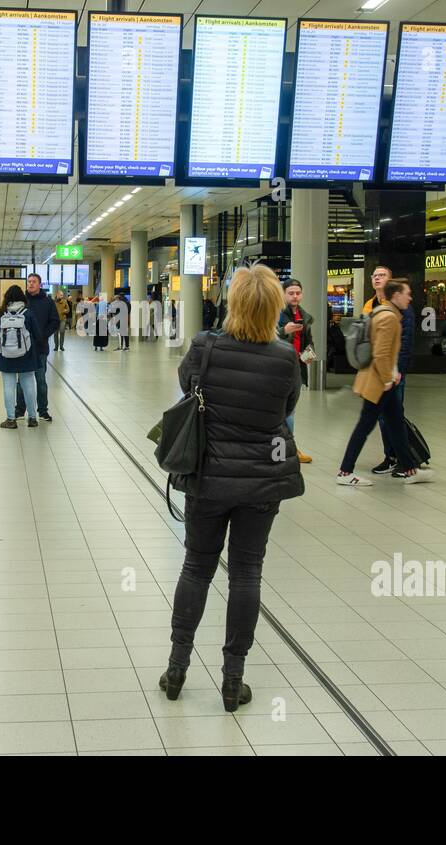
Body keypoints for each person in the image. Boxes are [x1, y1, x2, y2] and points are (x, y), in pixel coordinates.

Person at [160, 264, 304, 713]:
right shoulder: (284, 357)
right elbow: (287, 407)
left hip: (207, 479)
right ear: (275, 307)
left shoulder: (205, 346)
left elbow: (186, 386)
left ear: (233, 303)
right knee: (247, 573)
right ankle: (232, 680)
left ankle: (177, 669)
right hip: (262, 482)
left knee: (197, 568)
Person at [336, 280, 433, 486]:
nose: (410, 297)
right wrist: (389, 377)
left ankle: (409, 470)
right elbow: (381, 354)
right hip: (379, 384)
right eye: (407, 293)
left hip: (381, 381)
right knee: (365, 426)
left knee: (396, 425)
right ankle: (345, 472)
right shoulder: (389, 318)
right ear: (396, 295)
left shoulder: (381, 312)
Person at [361, 266, 416, 476]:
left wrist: (398, 369)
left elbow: (406, 340)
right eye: (374, 276)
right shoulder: (370, 304)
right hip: (376, 369)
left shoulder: (401, 305)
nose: (377, 278)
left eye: (382, 275)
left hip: (393, 371)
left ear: (391, 280)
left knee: (391, 415)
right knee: (383, 416)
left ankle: (400, 459)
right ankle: (394, 457)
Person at [0, 284, 43, 428]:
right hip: (27, 355)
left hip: (5, 356)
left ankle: (11, 419)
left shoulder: (0, 313)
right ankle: (32, 418)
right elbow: (38, 335)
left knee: (9, 387)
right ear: (22, 298)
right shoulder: (28, 313)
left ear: (6, 298)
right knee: (29, 386)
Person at [276, 278, 314, 465]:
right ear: (284, 294)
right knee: (284, 411)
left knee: (290, 409)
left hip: (296, 368)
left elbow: (307, 340)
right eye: (291, 293)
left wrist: (309, 354)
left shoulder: (304, 316)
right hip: (279, 367)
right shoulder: (277, 314)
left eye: (298, 292)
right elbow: (268, 335)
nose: (295, 296)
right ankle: (286, 449)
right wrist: (284, 330)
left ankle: (288, 447)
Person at [14, 274, 60, 421]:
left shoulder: (48, 302)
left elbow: (55, 322)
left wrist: (43, 335)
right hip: (23, 349)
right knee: (21, 381)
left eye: (34, 282)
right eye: (29, 281)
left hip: (40, 348)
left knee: (40, 380)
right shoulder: (21, 302)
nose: (31, 284)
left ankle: (43, 411)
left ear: (40, 284)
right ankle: (20, 410)